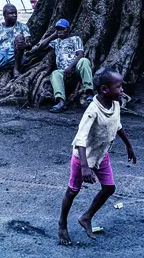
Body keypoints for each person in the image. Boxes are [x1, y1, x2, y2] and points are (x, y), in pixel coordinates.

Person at [58, 68, 136, 246]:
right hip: (83, 158)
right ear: (104, 90)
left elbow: (117, 125)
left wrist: (129, 145)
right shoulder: (92, 111)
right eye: (119, 86)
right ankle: (62, 223)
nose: (122, 89)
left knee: (109, 188)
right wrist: (85, 167)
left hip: (101, 156)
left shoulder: (115, 104)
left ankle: (86, 217)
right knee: (73, 191)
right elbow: (80, 139)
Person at [30, 18, 94, 112]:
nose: (60, 31)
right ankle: (61, 101)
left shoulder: (75, 39)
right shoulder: (56, 42)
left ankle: (89, 92)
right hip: (63, 70)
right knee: (55, 74)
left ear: (68, 29)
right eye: (58, 29)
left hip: (75, 67)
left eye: (62, 29)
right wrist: (53, 35)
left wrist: (70, 67)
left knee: (84, 61)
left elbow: (80, 54)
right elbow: (42, 47)